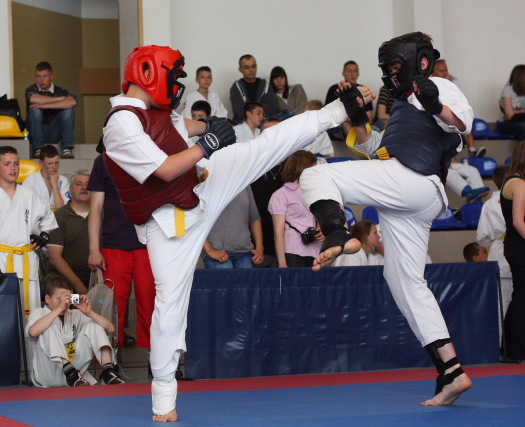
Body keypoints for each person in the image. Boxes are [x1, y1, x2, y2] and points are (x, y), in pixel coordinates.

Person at [102, 44, 367, 421]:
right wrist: (206, 144)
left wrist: (209, 126)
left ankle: (338, 110)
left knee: (263, 147)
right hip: (169, 223)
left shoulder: (154, 110)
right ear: (148, 73)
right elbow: (164, 169)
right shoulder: (120, 124)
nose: (177, 85)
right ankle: (163, 398)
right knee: (170, 302)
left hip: (201, 187)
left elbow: (178, 128)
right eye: (173, 77)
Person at [300, 32, 473, 406]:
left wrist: (436, 103)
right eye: (387, 69)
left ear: (420, 62)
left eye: (396, 66)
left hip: (413, 180)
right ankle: (452, 371)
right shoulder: (403, 108)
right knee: (404, 280)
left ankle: (337, 233)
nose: (391, 74)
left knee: (315, 174)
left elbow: (462, 123)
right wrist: (356, 115)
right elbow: (373, 148)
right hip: (410, 195)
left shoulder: (438, 86)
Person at [0, 146, 58, 319]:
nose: (13, 168)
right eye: (7, 164)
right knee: (1, 315)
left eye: (16, 164)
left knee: (31, 314)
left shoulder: (29, 194)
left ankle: (30, 338)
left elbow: (48, 215)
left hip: (26, 258)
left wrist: (44, 235)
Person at [88, 152, 156, 353]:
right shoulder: (103, 160)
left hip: (149, 243)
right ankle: (111, 358)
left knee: (151, 304)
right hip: (114, 243)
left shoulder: (150, 155)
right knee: (112, 305)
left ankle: (156, 357)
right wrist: (94, 249)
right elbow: (95, 207)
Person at [25, 276, 125, 387]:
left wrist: (90, 313)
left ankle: (108, 372)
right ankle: (70, 372)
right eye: (59, 299)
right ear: (48, 299)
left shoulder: (75, 314)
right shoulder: (39, 312)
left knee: (94, 325)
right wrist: (59, 308)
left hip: (77, 376)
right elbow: (33, 332)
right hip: (48, 373)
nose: (64, 303)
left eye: (67, 299)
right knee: (47, 324)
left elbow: (110, 329)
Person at [268, 150, 322, 268]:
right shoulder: (280, 194)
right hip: (293, 251)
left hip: (317, 250)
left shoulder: (318, 191)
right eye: (313, 166)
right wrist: (282, 263)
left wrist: (323, 231)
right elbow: (278, 232)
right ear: (303, 167)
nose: (317, 170)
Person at [46, 170, 93, 294]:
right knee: (67, 297)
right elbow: (54, 258)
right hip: (64, 279)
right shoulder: (59, 216)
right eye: (79, 184)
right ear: (70, 189)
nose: (84, 187)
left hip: (93, 276)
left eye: (88, 184)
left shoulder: (101, 215)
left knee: (104, 299)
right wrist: (78, 286)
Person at [499, 141, 525, 361]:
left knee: (520, 296)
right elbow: (518, 221)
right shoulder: (519, 184)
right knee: (522, 297)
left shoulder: (512, 181)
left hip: (515, 245)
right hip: (520, 245)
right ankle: (517, 350)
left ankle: (510, 350)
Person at [477, 164, 512, 319]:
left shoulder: (489, 205)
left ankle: (504, 335)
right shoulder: (519, 197)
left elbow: (482, 237)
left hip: (499, 255)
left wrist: (495, 240)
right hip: (515, 253)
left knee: (502, 308)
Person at [431, 59, 485, 158]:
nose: (445, 73)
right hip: (438, 113)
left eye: (446, 70)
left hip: (452, 109)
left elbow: (459, 101)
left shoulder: (454, 80)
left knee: (464, 116)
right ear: (433, 72)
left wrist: (449, 83)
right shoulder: (429, 82)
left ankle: (472, 149)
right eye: (441, 71)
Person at [251, 118, 285, 269]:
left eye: (278, 133)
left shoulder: (294, 164)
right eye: (269, 133)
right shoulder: (250, 164)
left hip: (289, 247)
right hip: (257, 248)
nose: (273, 137)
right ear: (260, 136)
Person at [202, 186, 264, 268]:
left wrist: (260, 248)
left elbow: (254, 217)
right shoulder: (206, 181)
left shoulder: (244, 182)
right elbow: (193, 219)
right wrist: (209, 250)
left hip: (245, 252)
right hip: (218, 253)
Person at [25, 61, 77, 159]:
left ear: (52, 76)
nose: (41, 80)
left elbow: (72, 102)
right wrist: (59, 99)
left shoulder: (60, 90)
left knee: (69, 110)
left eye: (45, 76)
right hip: (35, 130)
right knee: (35, 109)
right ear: (35, 76)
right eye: (39, 76)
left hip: (54, 130)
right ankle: (38, 149)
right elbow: (33, 99)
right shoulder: (31, 89)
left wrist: (47, 105)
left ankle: (66, 148)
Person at [325, 61, 374, 138]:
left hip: (361, 122)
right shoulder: (334, 89)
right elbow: (328, 113)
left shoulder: (364, 90)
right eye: (349, 71)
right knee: (345, 124)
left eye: (355, 71)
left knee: (375, 130)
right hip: (340, 123)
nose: (352, 74)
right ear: (343, 73)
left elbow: (369, 118)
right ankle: (357, 143)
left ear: (358, 73)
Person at [230, 54, 276, 125]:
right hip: (243, 125)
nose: (251, 70)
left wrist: (249, 109)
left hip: (264, 123)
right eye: (247, 67)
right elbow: (239, 113)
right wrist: (262, 107)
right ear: (240, 69)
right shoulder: (236, 87)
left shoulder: (266, 85)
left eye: (253, 66)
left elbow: (272, 108)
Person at [22, 144, 70, 210]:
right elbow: (26, 207)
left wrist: (55, 185)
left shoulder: (63, 180)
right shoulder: (30, 181)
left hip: (58, 216)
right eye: (50, 163)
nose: (54, 167)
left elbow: (62, 209)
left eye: (56, 163)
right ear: (41, 162)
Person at [499, 65, 525, 142]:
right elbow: (510, 116)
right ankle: (521, 149)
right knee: (524, 127)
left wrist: (515, 113)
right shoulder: (507, 90)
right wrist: (514, 114)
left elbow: (512, 115)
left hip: (520, 121)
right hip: (506, 123)